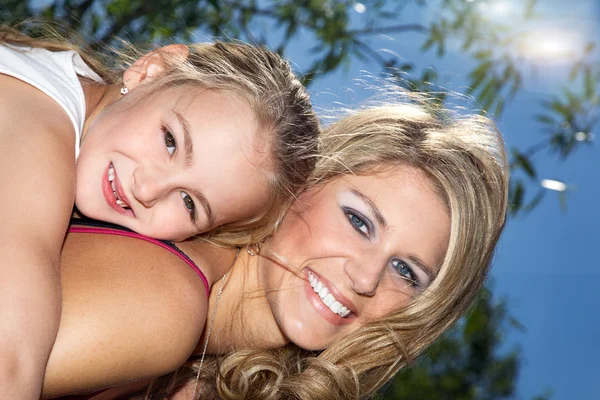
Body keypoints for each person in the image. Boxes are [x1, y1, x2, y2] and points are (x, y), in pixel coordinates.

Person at [41, 91, 509, 399]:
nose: (365, 278)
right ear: (300, 184)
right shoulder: (164, 300)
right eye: (358, 221)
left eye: (406, 272)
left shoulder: (212, 372)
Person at [0, 24, 319, 398]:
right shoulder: (39, 118)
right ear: (151, 70)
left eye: (189, 203)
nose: (148, 189)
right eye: (170, 141)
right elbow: (10, 358)